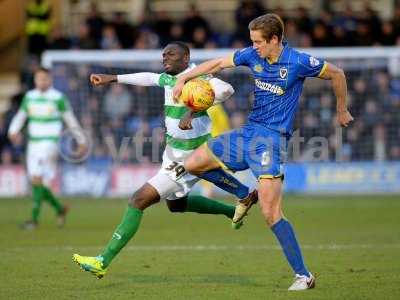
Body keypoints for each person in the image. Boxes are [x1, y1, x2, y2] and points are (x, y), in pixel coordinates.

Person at [173, 14, 354, 291]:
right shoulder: (252, 55)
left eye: (258, 42)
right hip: (247, 133)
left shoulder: (298, 61)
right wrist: (184, 77)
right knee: (193, 163)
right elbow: (219, 63)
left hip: (271, 141)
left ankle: (304, 276)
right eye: (252, 42)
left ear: (275, 40)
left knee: (271, 214)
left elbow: (337, 73)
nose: (254, 47)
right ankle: (243, 194)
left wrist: (341, 109)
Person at [72, 41, 257, 279]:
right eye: (163, 54)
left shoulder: (200, 78)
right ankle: (233, 208)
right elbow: (148, 77)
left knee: (138, 199)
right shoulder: (170, 79)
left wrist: (194, 109)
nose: (164, 58)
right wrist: (113, 78)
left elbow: (226, 90)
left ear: (186, 57)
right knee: (176, 205)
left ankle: (102, 261)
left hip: (190, 156)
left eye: (170, 54)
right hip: (173, 152)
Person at [8, 68, 86, 229]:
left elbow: (70, 120)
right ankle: (60, 209)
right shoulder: (29, 97)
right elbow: (21, 116)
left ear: (50, 80)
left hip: (50, 143)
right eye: (39, 79)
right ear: (35, 80)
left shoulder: (58, 97)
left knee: (37, 178)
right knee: (38, 183)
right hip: (33, 143)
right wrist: (13, 131)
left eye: (45, 79)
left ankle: (33, 220)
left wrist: (81, 140)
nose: (42, 81)